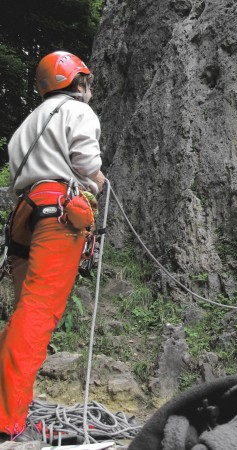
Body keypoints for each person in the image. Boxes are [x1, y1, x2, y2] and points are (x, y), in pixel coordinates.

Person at [0, 51, 105, 442]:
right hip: (57, 216)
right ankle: (8, 420)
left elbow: (17, 176)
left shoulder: (25, 126)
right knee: (38, 314)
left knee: (24, 314)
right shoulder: (78, 112)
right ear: (77, 83)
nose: (88, 89)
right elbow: (85, 160)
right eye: (86, 82)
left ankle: (9, 404)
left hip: (24, 216)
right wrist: (98, 179)